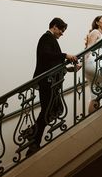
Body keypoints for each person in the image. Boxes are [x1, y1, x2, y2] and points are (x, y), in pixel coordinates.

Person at [26, 17, 79, 156]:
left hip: (50, 81)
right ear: (54, 26)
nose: (62, 33)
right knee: (50, 109)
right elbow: (46, 55)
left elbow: (52, 62)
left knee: (52, 109)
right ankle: (34, 139)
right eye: (61, 30)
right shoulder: (46, 37)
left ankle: (33, 134)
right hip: (47, 81)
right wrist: (66, 55)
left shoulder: (51, 39)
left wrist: (69, 68)